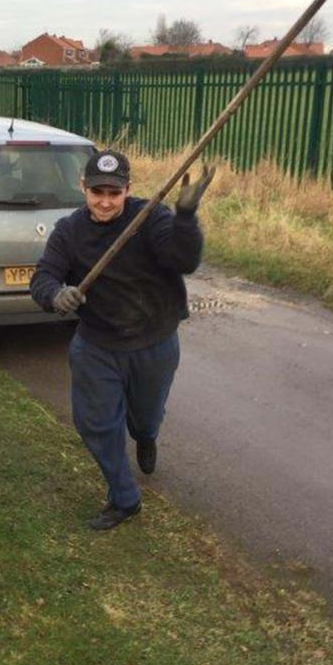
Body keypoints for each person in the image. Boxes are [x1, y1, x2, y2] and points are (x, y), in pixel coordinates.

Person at [30, 150, 215, 530]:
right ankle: (124, 498)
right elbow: (43, 277)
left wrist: (185, 218)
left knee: (145, 416)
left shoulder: (150, 218)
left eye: (114, 193)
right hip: (97, 344)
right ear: (83, 188)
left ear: (128, 190)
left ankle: (146, 436)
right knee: (95, 423)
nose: (105, 201)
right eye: (97, 191)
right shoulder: (69, 231)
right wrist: (55, 294)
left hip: (154, 342)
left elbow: (185, 260)